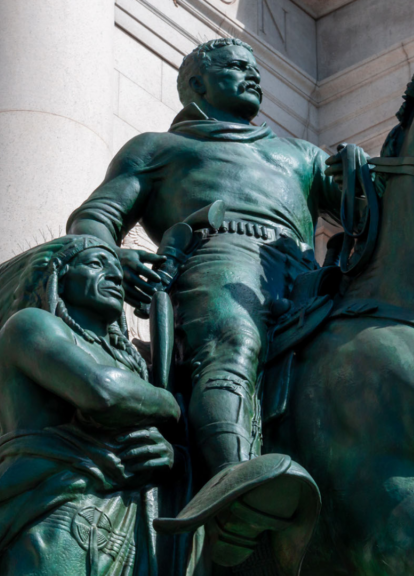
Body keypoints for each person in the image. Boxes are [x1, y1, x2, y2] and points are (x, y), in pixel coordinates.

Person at [66, 40, 339, 564]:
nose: (254, 77)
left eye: (257, 69)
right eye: (237, 68)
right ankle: (236, 490)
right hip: (216, 259)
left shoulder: (300, 154)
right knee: (231, 337)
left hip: (303, 268)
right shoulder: (157, 149)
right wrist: (111, 259)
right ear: (196, 83)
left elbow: (355, 196)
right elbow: (95, 217)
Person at [0, 235, 183, 576]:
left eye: (116, 268)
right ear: (59, 276)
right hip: (46, 505)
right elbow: (102, 392)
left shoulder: (131, 362)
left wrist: (162, 450)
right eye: (95, 263)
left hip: (125, 510)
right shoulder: (30, 326)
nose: (116, 276)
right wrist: (170, 403)